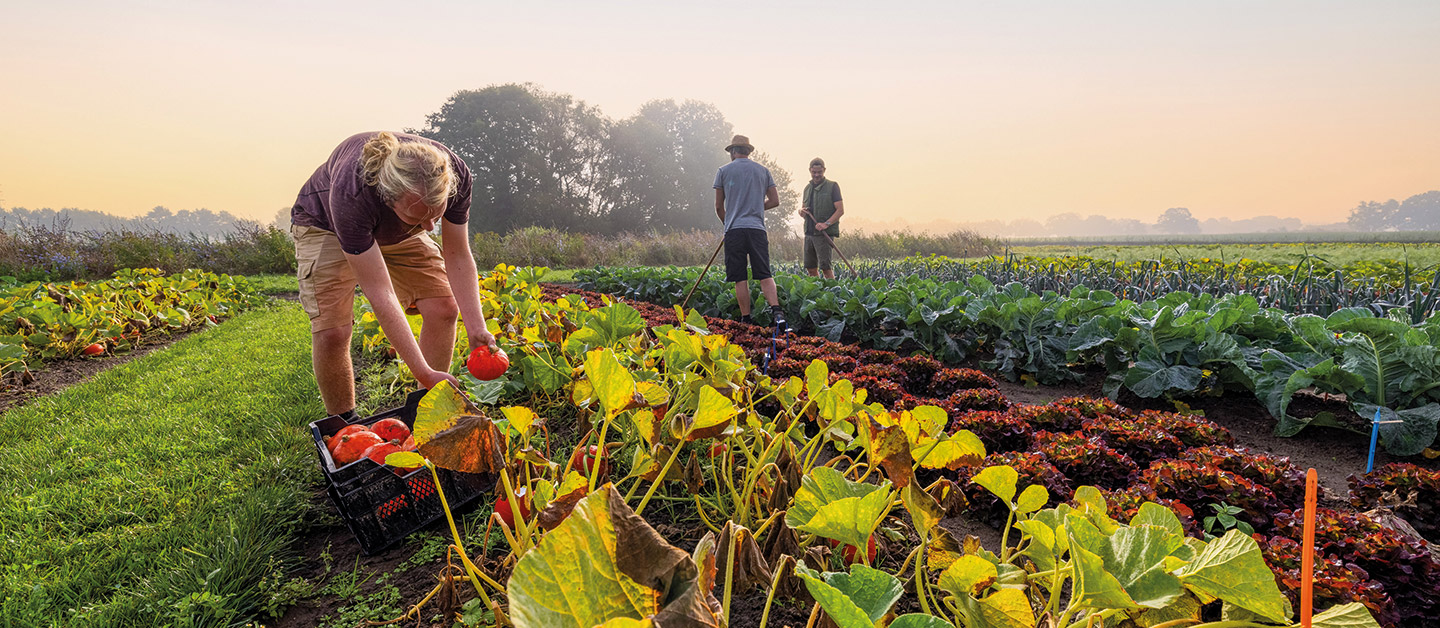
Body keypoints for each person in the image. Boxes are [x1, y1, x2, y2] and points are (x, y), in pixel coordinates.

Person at [290, 131, 496, 419]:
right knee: (333, 332)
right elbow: (380, 292)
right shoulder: (353, 194)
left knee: (443, 306)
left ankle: (424, 415)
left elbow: (458, 254)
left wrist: (476, 326)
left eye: (436, 215)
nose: (429, 228)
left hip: (397, 229)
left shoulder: (454, 175)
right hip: (324, 224)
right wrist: (422, 370)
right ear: (388, 198)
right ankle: (345, 429)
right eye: (418, 217)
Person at [713, 134, 788, 331]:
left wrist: (728, 223)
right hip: (756, 229)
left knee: (740, 277)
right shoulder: (763, 171)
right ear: (748, 151)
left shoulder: (723, 171)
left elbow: (719, 207)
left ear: (732, 151)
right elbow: (774, 201)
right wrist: (755, 207)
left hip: (734, 230)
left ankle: (746, 319)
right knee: (764, 273)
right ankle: (777, 312)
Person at [800, 158, 845, 279]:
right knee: (810, 268)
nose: (816, 175)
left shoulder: (832, 186)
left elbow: (840, 210)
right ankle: (816, 291)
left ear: (824, 170)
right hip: (809, 233)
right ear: (810, 170)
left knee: (825, 267)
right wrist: (801, 212)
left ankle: (832, 292)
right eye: (814, 172)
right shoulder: (807, 188)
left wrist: (826, 224)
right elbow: (804, 209)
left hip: (823, 234)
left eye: (819, 172)